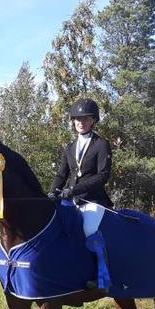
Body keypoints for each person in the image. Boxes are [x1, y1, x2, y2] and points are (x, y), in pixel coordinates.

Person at [48, 97, 112, 291]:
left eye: (85, 119)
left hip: (93, 201)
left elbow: (103, 176)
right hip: (71, 200)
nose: (80, 122)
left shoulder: (101, 144)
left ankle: (102, 278)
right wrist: (51, 193)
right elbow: (62, 174)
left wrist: (74, 190)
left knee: (88, 231)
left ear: (93, 120)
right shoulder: (69, 147)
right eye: (77, 119)